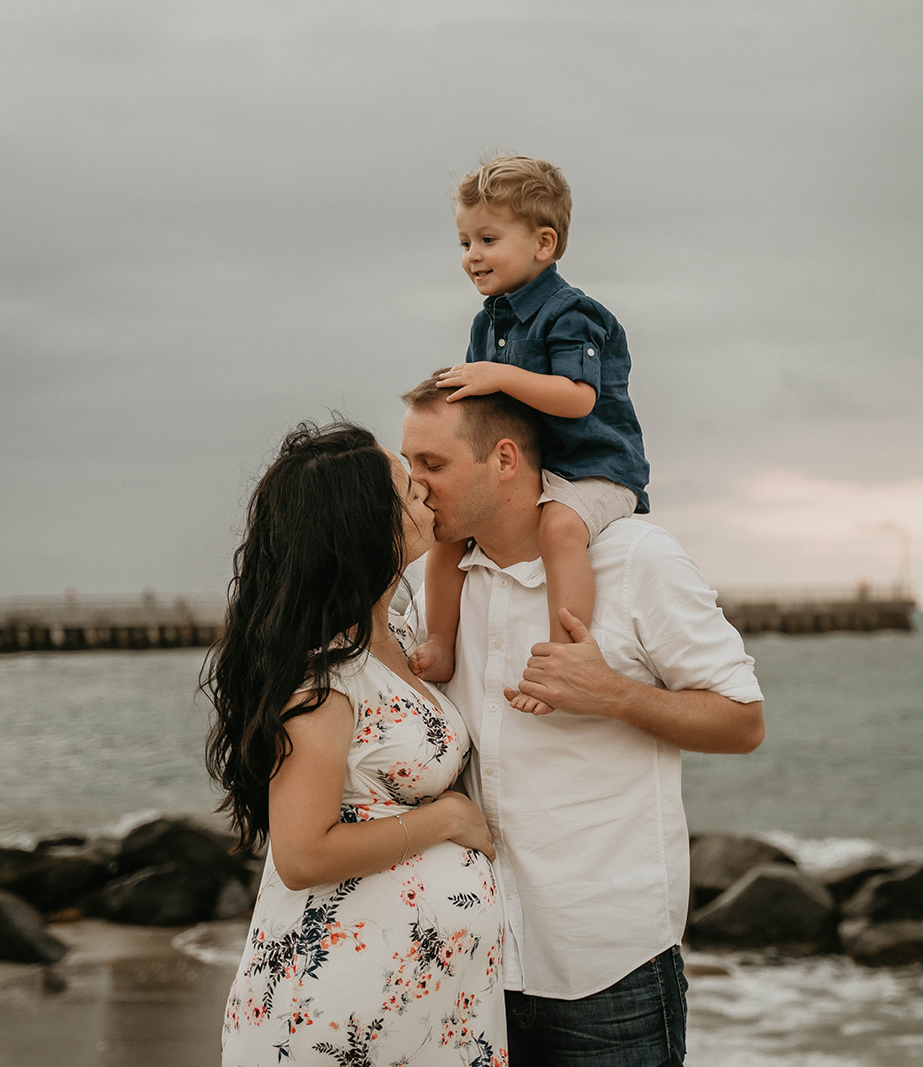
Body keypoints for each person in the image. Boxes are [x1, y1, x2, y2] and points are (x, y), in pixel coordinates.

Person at [400, 376, 765, 1066]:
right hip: (473, 963)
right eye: (411, 465)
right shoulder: (438, 587)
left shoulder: (637, 560)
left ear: (505, 460)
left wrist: (613, 694)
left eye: (433, 464)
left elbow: (744, 721)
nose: (417, 487)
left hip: (610, 971)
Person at [204, 420, 509, 1067]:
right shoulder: (324, 678)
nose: (423, 490)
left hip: (411, 1011)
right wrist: (447, 817)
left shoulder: (398, 634)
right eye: (405, 487)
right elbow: (302, 852)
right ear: (366, 525)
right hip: (331, 1018)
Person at [410, 154, 649, 685]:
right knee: (449, 533)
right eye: (465, 243)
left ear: (543, 243)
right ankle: (440, 643)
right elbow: (480, 408)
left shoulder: (571, 312)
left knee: (560, 528)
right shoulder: (485, 322)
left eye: (488, 240)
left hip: (595, 467)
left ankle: (565, 657)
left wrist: (498, 376)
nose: (473, 256)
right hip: (533, 467)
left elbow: (578, 397)